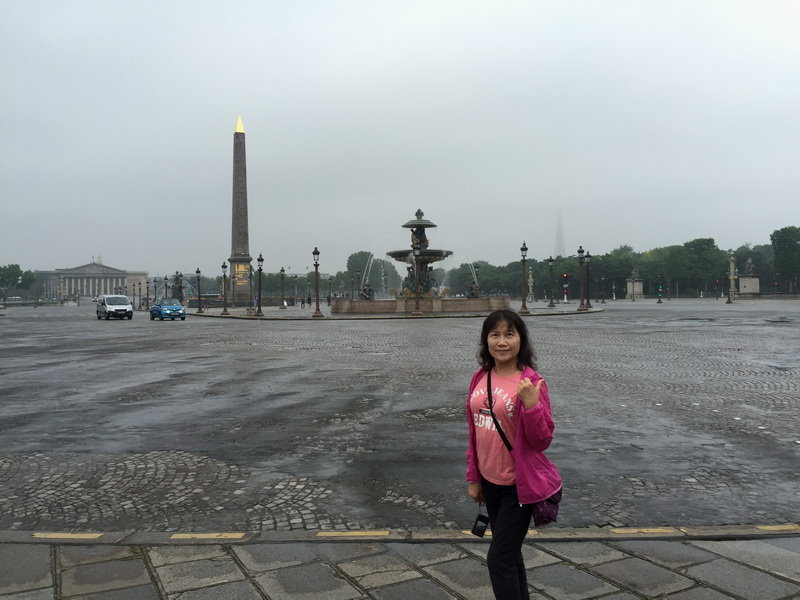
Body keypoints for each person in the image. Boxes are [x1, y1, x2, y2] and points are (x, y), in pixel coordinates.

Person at [465, 310, 562, 599]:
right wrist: (474, 477)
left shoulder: (531, 382)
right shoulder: (480, 376)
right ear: (486, 340)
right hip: (490, 481)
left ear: (521, 339)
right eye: (495, 335)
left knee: (499, 559)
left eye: (509, 334)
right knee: (510, 554)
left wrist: (532, 406)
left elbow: (541, 440)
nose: (502, 341)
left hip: (518, 486)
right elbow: (474, 432)